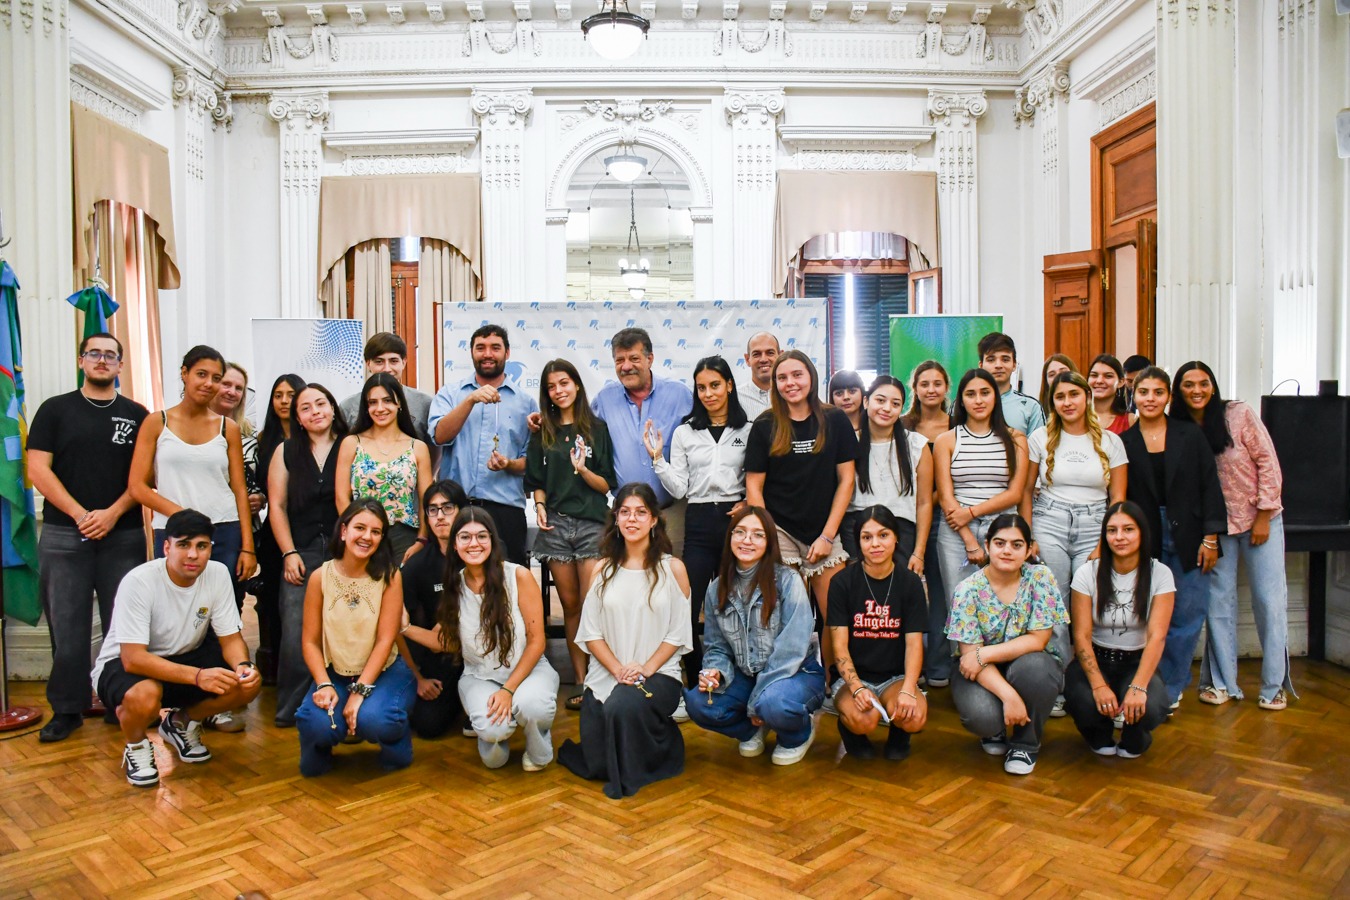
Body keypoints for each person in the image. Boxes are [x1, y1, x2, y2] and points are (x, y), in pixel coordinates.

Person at [28, 333, 149, 743]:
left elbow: (144, 477)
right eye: (94, 353)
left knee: (125, 626)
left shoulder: (137, 415)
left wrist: (111, 514)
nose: (102, 360)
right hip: (64, 534)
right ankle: (68, 709)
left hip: (123, 535)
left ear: (120, 365)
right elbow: (38, 469)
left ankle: (120, 702)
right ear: (81, 360)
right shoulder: (54, 409)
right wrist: (81, 515)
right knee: (68, 628)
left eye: (110, 355)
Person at [90, 509, 263, 787]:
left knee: (246, 685)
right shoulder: (139, 581)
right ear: (167, 547)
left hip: (184, 658)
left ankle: (180, 723)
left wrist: (243, 666)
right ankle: (137, 746)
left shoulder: (218, 573)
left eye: (202, 546)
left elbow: (231, 639)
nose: (193, 554)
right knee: (145, 697)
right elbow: (133, 659)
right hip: (127, 665)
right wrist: (198, 676)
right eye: (184, 545)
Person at [1171, 361, 1295, 710]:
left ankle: (1274, 686)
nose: (1197, 390)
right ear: (1178, 390)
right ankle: (1223, 683)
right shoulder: (1177, 428)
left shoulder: (1238, 414)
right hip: (1216, 529)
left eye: (1203, 383)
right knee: (1219, 604)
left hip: (1261, 521)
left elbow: (1268, 462)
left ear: (1213, 386)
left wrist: (1264, 515)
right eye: (1188, 384)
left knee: (1269, 603)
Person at [558, 483, 692, 800]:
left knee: (622, 706)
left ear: (654, 519)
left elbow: (677, 634)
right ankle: (650, 740)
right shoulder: (602, 570)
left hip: (658, 673)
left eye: (641, 512)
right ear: (616, 518)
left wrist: (644, 669)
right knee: (597, 763)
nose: (632, 519)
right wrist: (618, 670)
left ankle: (665, 747)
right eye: (625, 512)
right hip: (609, 672)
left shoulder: (673, 569)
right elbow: (591, 633)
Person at [1120, 366, 1227, 709]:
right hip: (1145, 535)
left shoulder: (1189, 434)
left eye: (1158, 392)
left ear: (1168, 396)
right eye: (1143, 392)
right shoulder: (1124, 441)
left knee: (1187, 612)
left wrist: (1211, 538)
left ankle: (1172, 686)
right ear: (1134, 395)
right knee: (1144, 612)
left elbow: (1210, 486)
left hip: (1190, 534)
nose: (1150, 399)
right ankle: (1144, 682)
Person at [421, 508, 559, 770]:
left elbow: (537, 640)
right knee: (494, 746)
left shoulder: (518, 576)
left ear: (493, 541)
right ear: (454, 545)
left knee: (532, 707)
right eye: (465, 537)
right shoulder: (453, 586)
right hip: (480, 675)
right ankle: (493, 736)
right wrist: (403, 628)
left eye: (482, 536)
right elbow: (445, 642)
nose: (474, 543)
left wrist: (508, 690)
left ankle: (539, 748)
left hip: (528, 669)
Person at [686, 506, 824, 765]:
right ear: (730, 537)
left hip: (795, 673)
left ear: (769, 541)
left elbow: (791, 650)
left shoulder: (788, 581)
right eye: (740, 532)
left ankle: (797, 735)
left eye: (758, 534)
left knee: (772, 703)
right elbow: (717, 647)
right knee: (698, 703)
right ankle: (752, 730)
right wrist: (715, 671)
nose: (747, 540)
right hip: (745, 674)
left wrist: (756, 701)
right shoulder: (716, 588)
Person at [743, 350, 857, 665]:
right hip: (779, 530)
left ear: (811, 377)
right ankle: (786, 680)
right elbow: (754, 487)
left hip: (825, 530)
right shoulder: (765, 424)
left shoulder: (835, 419)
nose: (790, 383)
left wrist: (827, 536)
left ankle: (832, 682)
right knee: (785, 616)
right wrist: (766, 536)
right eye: (782, 378)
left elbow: (846, 480)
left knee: (836, 615)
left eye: (797, 375)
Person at [294, 499, 416, 776]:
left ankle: (397, 744)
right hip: (335, 673)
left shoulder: (390, 576)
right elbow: (310, 642)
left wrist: (359, 693)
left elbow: (386, 640)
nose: (367, 537)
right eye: (360, 528)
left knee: (375, 720)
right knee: (316, 727)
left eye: (376, 531)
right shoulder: (320, 577)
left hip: (383, 672)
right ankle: (318, 750)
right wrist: (324, 684)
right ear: (344, 530)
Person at [650, 355, 752, 684]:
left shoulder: (748, 429)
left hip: (735, 521)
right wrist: (658, 460)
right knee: (689, 601)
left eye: (715, 385)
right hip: (698, 518)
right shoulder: (685, 432)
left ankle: (738, 671)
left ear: (730, 385)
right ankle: (694, 674)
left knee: (737, 600)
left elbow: (756, 478)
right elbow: (680, 488)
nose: (708, 393)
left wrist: (748, 502)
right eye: (702, 388)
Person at [526, 358, 617, 710]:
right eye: (551, 386)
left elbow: (606, 484)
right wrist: (540, 506)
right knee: (570, 606)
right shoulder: (543, 431)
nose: (558, 391)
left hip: (592, 523)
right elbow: (536, 480)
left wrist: (582, 469)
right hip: (556, 527)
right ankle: (581, 680)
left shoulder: (597, 429)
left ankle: (600, 675)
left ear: (577, 385)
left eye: (564, 383)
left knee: (594, 604)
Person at [945, 514, 1068, 775]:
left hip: (1027, 663)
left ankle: (1026, 744)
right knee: (982, 717)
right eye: (1000, 543)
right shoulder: (967, 589)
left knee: (1037, 670)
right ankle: (995, 729)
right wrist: (1009, 696)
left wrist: (985, 654)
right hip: (979, 672)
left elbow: (1039, 639)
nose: (1007, 551)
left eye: (1016, 544)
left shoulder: (1040, 578)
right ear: (987, 546)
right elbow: (969, 658)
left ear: (1028, 550)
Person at [127, 344, 255, 594]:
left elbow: (240, 490)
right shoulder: (156, 422)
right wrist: (182, 515)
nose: (209, 383)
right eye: (201, 374)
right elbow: (137, 487)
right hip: (173, 531)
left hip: (223, 529)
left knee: (222, 607)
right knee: (173, 604)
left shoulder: (228, 428)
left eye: (216, 378)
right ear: (184, 373)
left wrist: (248, 547)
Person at [932, 369, 1031, 687]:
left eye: (985, 392)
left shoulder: (1016, 438)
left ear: (995, 397)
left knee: (1003, 602)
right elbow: (946, 496)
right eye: (970, 394)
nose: (978, 400)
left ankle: (1002, 670)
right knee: (961, 606)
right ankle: (971, 676)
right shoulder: (947, 440)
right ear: (960, 400)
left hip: (1003, 533)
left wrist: (972, 512)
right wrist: (969, 539)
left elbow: (1015, 493)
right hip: (955, 533)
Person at [1064, 502, 1173, 758]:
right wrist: (1098, 686)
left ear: (1142, 532)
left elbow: (1157, 637)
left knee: (1152, 706)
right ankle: (1097, 734)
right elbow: (1081, 636)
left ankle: (1136, 737)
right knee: (1083, 702)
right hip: (1096, 658)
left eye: (1128, 529)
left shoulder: (1160, 574)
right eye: (1112, 530)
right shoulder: (1087, 573)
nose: (1119, 537)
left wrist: (1139, 686)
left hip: (1136, 661)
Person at [268, 383, 348, 726]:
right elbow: (277, 506)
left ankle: (339, 703)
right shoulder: (286, 451)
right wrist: (288, 552)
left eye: (321, 403)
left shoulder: (351, 444)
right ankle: (290, 710)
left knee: (345, 628)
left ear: (332, 407)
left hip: (345, 552)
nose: (315, 411)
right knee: (296, 630)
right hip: (301, 552)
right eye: (305, 408)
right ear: (297, 418)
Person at [430, 324, 537, 565]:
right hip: (456, 509)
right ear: (471, 352)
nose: (487, 354)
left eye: (495, 348)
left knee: (509, 581)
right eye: (480, 348)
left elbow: (530, 463)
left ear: (507, 353)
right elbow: (440, 436)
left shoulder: (526, 403)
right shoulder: (450, 394)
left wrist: (508, 464)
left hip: (505, 511)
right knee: (455, 581)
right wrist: (470, 400)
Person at [828, 507, 929, 761]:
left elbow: (914, 645)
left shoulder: (910, 583)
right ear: (858, 542)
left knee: (915, 717)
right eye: (867, 537)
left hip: (895, 677)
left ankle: (899, 733)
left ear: (896, 538)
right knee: (863, 719)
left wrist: (908, 689)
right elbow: (839, 647)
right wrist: (856, 688)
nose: (875, 544)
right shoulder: (841, 583)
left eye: (883, 535)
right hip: (853, 678)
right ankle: (850, 730)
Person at [1024, 371, 1128, 605]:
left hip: (1095, 525)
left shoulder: (1111, 441)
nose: (1067, 402)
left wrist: (1104, 541)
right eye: (1060, 397)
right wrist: (1028, 536)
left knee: (1089, 597)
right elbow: (1026, 490)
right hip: (1049, 522)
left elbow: (1118, 498)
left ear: (1087, 397)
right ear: (1052, 402)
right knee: (1053, 599)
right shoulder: (1040, 437)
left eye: (1074, 394)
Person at [591, 327, 694, 551]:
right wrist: (542, 421)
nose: (626, 366)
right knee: (627, 572)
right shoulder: (603, 400)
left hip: (671, 512)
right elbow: (577, 428)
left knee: (672, 570)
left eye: (634, 358)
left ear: (650, 359)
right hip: (626, 518)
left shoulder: (680, 395)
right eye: (620, 360)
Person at [242, 372, 307, 691]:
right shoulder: (262, 439)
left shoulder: (313, 435)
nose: (284, 401)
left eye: (291, 395)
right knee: (273, 601)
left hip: (308, 527)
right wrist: (259, 497)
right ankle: (278, 669)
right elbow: (255, 485)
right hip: (273, 530)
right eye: (278, 395)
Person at [396, 481, 468, 738]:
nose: (440, 516)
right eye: (432, 510)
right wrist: (418, 677)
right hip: (443, 657)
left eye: (447, 508)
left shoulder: (480, 551)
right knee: (427, 725)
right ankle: (458, 700)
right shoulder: (417, 565)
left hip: (484, 654)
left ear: (462, 511)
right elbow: (396, 626)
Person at [336, 373, 433, 561]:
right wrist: (355, 532)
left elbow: (426, 500)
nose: (380, 408)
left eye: (387, 401)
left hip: (404, 537)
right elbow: (341, 497)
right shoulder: (352, 443)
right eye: (372, 402)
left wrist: (421, 539)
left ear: (399, 403)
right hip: (362, 537)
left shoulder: (418, 447)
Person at [842, 375, 933, 571]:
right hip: (856, 530)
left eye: (895, 404)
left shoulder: (917, 445)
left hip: (901, 533)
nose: (887, 408)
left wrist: (919, 552)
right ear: (866, 402)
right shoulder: (848, 442)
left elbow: (924, 502)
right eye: (880, 400)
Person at [901, 360, 954, 687]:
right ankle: (907, 665)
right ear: (915, 388)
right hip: (908, 516)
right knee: (907, 593)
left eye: (937, 383)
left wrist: (931, 500)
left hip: (946, 517)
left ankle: (938, 665)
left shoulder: (958, 424)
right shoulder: (903, 426)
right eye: (924, 384)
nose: (931, 389)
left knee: (941, 592)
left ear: (946, 387)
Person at [339, 332, 437, 463]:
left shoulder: (425, 403)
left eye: (393, 361)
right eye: (379, 362)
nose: (387, 368)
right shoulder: (348, 406)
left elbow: (435, 449)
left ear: (404, 362)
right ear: (368, 364)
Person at [977, 332, 1045, 436]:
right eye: (991, 360)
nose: (998, 365)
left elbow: (1039, 445)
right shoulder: (964, 404)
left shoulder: (1031, 407)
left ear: (1014, 365)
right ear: (981, 365)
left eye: (1005, 359)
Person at [1087, 354, 1135, 436]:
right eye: (1094, 375)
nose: (1099, 381)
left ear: (1121, 382)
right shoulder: (1077, 417)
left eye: (1108, 376)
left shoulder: (1130, 420)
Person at [740, 332, 779, 420]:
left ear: (780, 356)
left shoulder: (791, 394)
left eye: (770, 353)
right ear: (747, 359)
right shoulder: (734, 398)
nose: (763, 359)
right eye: (756, 354)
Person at [828, 369, 865, 435]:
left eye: (852, 391)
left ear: (862, 393)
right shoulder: (825, 429)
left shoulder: (874, 427)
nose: (846, 397)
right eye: (839, 393)